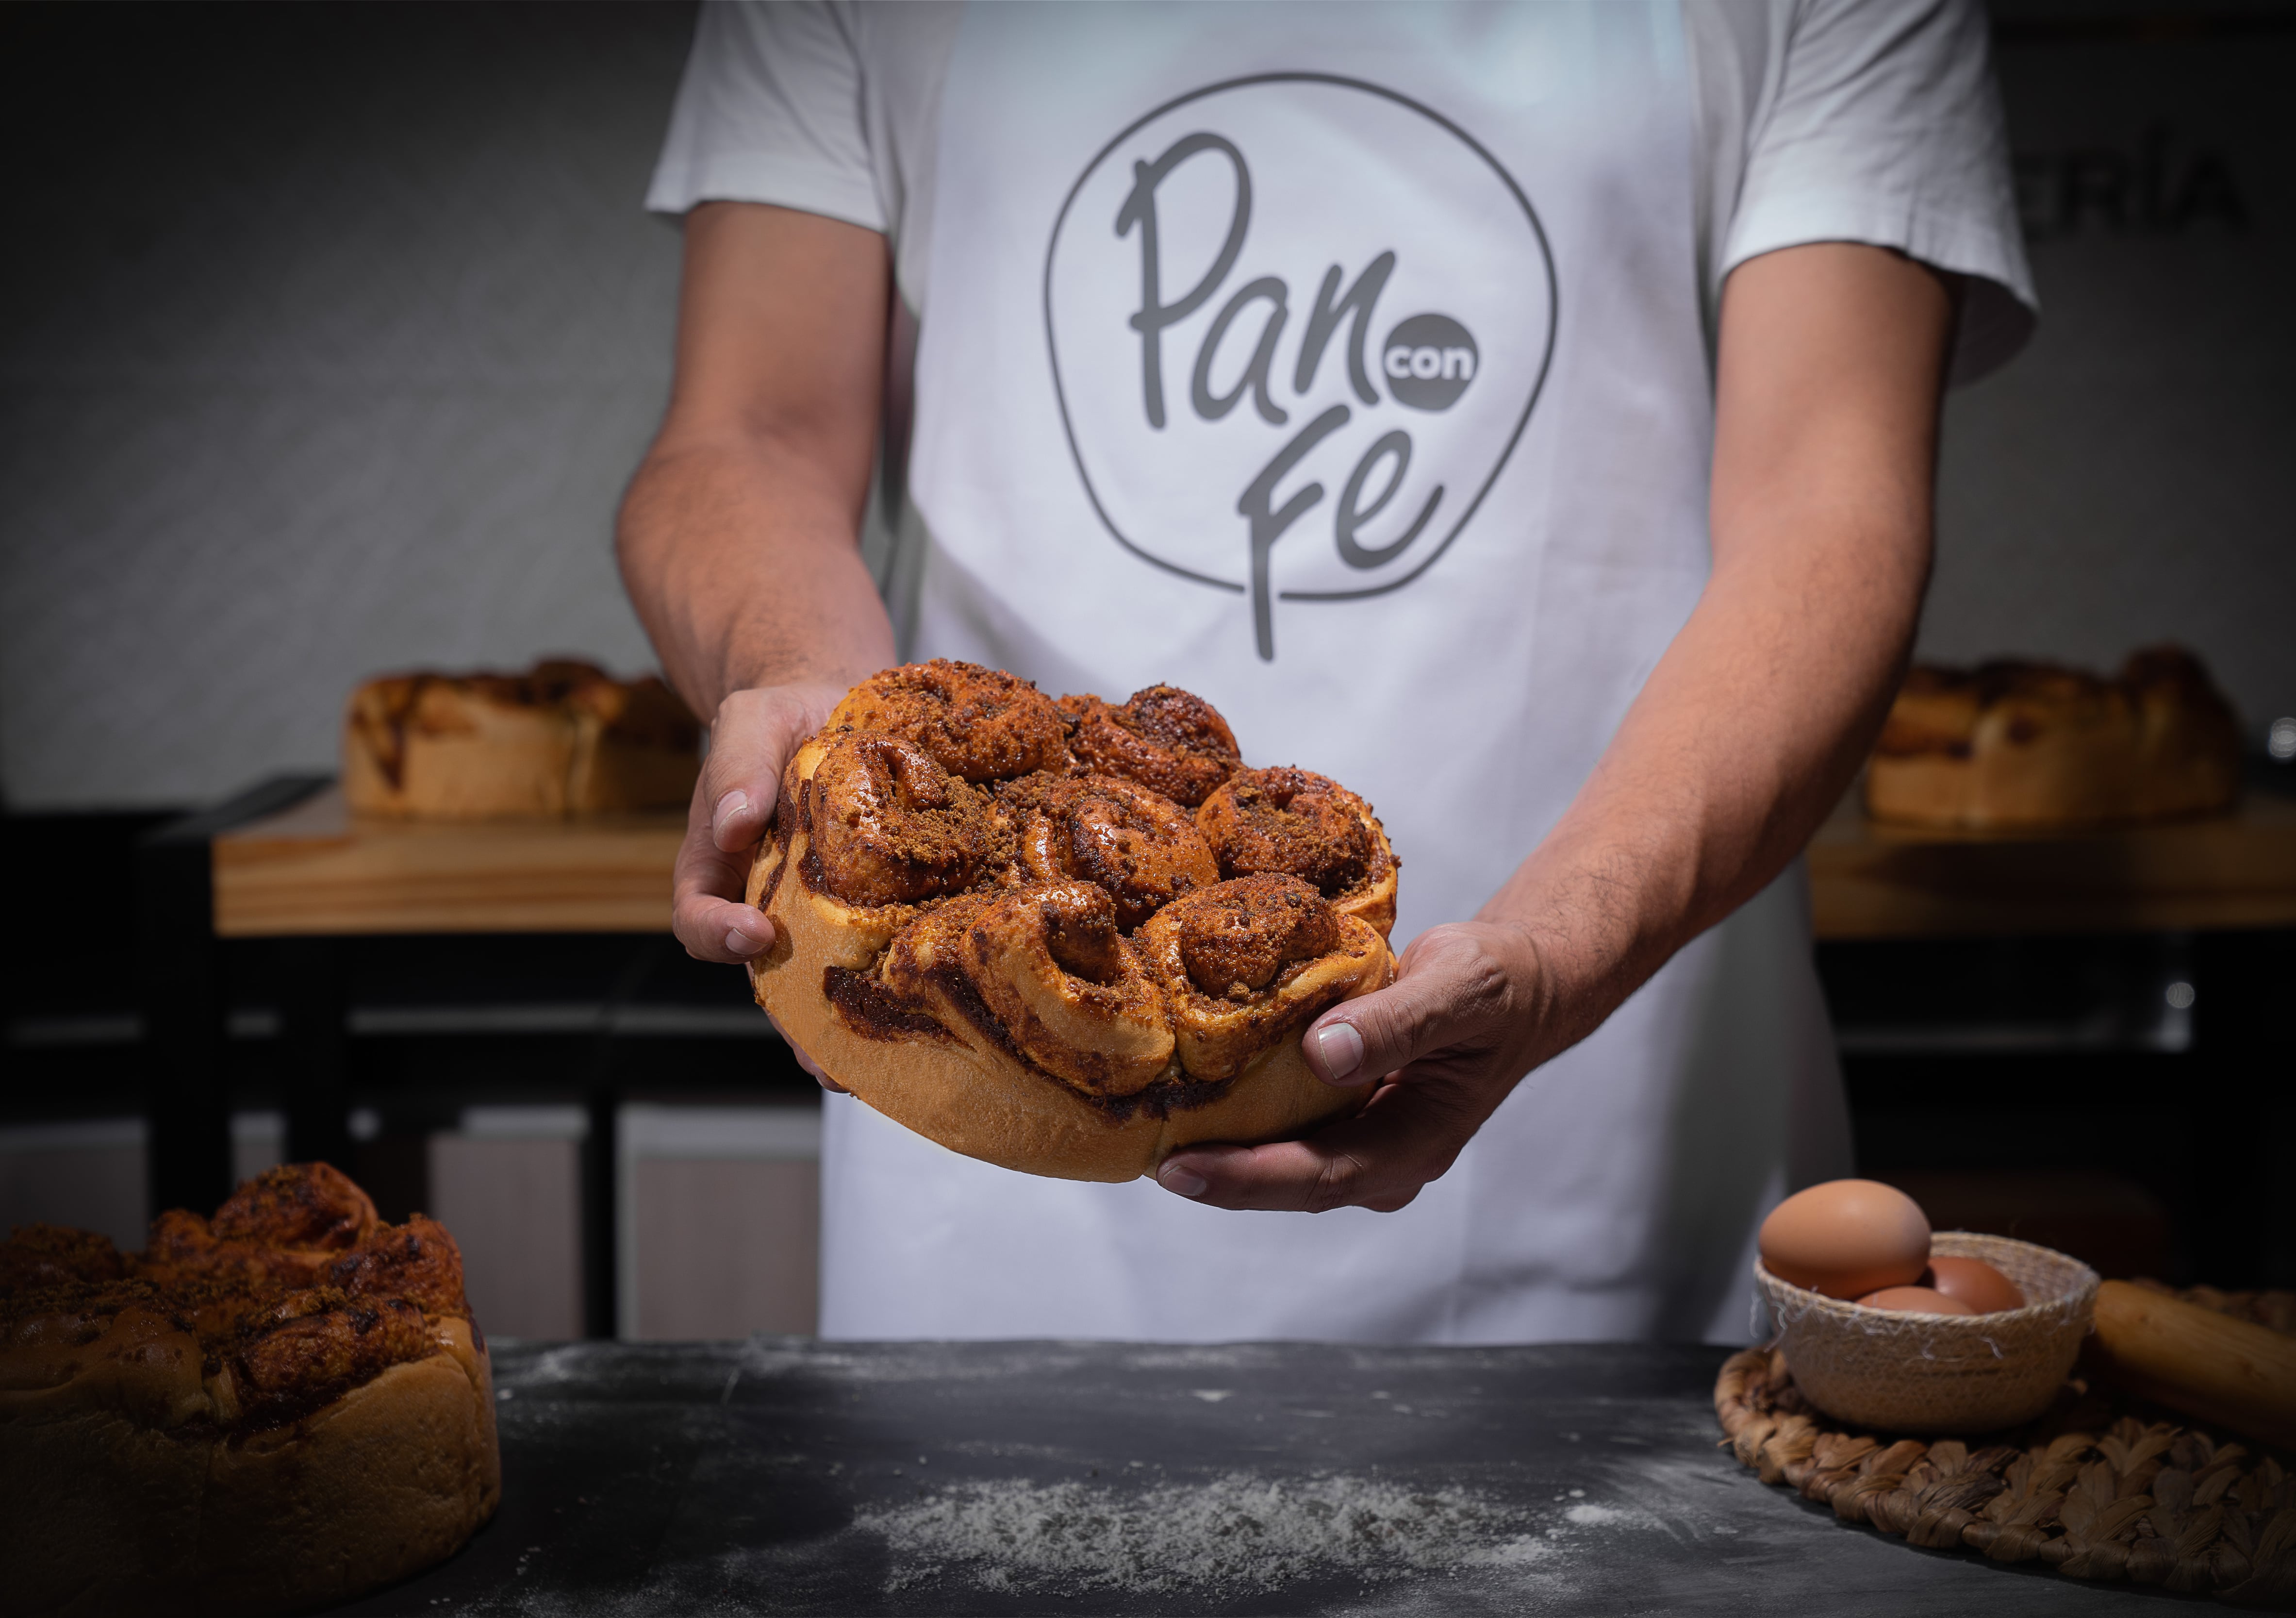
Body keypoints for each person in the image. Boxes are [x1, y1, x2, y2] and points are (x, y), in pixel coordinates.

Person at [619, 0, 2034, 1343]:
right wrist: (809, 703)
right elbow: (747, 436)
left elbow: (1829, 518)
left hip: (1602, 1151)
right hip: (992, 1141)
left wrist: (1560, 947)